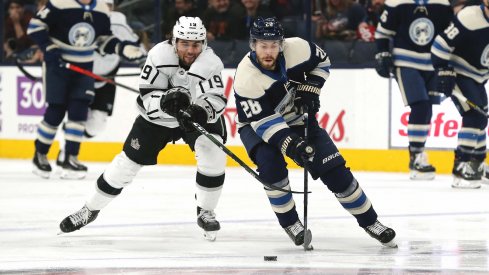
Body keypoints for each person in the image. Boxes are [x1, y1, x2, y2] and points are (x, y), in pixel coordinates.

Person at [58, 16, 228, 241]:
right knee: (125, 165)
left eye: (195, 44)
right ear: (174, 41)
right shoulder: (158, 55)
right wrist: (164, 101)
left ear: (203, 44)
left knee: (213, 152)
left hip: (193, 115)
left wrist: (199, 111)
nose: (190, 50)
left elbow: (216, 98)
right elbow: (147, 96)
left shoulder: (211, 62)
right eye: (184, 43)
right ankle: (89, 209)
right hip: (156, 119)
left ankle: (205, 211)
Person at [233, 17, 397, 248]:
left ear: (281, 44)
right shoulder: (246, 78)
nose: (268, 51)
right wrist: (292, 145)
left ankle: (371, 222)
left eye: (273, 45)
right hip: (256, 125)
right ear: (253, 45)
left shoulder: (298, 48)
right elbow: (265, 123)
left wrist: (311, 88)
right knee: (271, 166)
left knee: (336, 172)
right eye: (262, 45)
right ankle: (291, 223)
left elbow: (322, 61)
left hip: (296, 118)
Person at [27, 0, 146, 180]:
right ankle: (40, 154)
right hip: (58, 66)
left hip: (84, 69)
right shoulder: (59, 3)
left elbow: (103, 39)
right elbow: (35, 26)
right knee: (56, 111)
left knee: (79, 111)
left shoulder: (100, 9)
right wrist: (49, 48)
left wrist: (122, 48)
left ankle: (70, 157)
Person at [374, 0, 453, 180]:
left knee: (428, 109)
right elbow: (382, 32)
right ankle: (416, 157)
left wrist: (447, 62)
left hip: (433, 63)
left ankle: (418, 155)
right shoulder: (396, 2)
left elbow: (450, 34)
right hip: (405, 62)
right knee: (421, 106)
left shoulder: (441, 3)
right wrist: (382, 52)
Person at [430, 0, 489, 188]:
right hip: (459, 73)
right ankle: (461, 165)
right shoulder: (469, 16)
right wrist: (443, 70)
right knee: (475, 116)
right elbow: (439, 45)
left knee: (481, 117)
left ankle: (477, 164)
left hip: (479, 76)